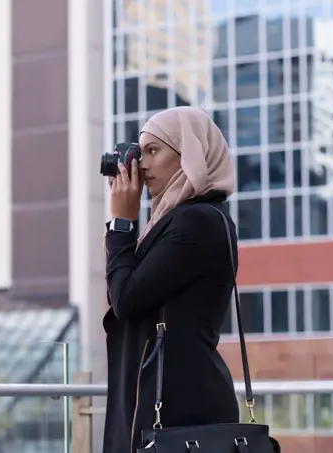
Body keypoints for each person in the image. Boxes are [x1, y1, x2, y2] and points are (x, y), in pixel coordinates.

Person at [102, 106, 240, 453]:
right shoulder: (172, 221)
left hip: (179, 412)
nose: (142, 164)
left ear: (189, 156)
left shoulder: (198, 223)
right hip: (165, 402)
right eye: (139, 151)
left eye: (153, 151)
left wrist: (121, 224)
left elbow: (126, 300)